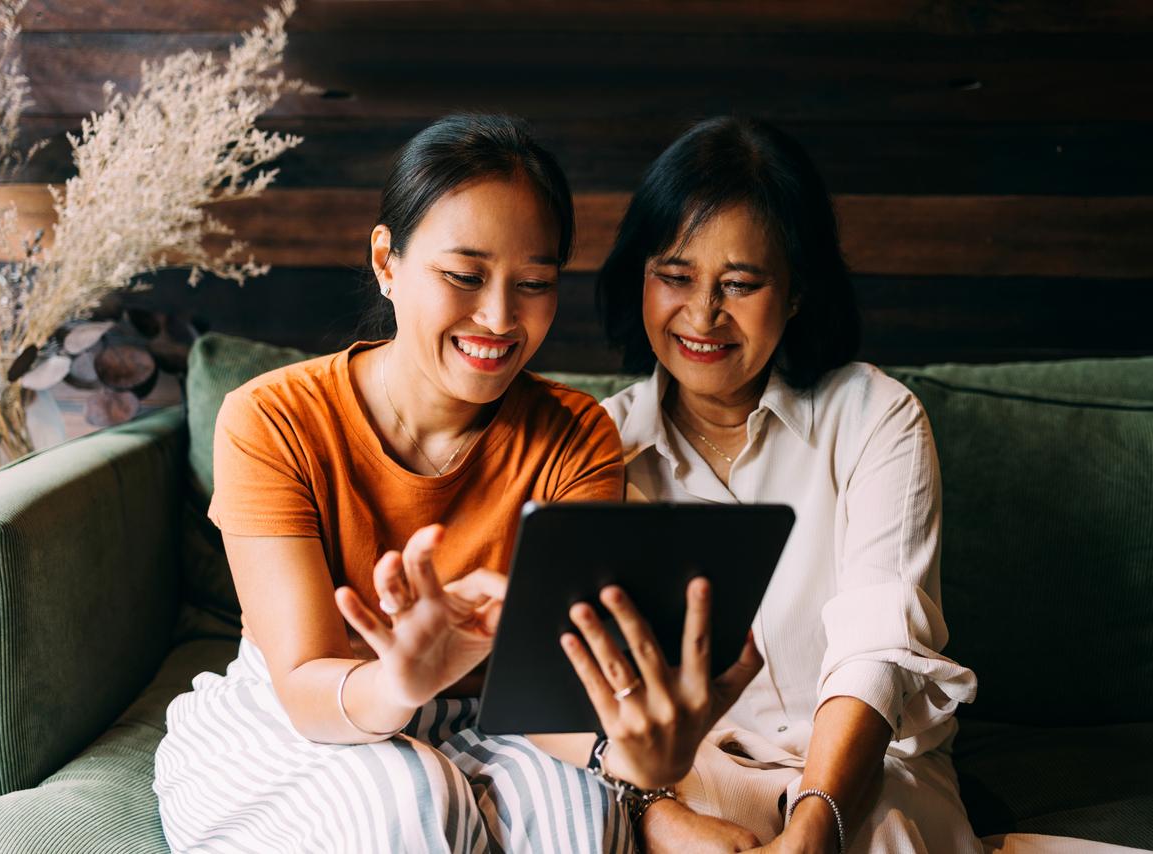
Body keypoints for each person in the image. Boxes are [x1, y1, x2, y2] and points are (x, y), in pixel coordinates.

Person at [154, 114, 671, 854]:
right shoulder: (271, 418)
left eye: (533, 284)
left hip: (493, 723)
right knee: (408, 805)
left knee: (582, 823)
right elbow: (304, 682)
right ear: (387, 262)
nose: (499, 317)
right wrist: (402, 678)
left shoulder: (576, 435)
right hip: (311, 708)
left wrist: (644, 769)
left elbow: (553, 686)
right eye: (463, 276)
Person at [568, 116, 981, 853]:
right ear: (640, 277)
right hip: (688, 782)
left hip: (868, 772)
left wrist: (818, 820)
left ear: (795, 293)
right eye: (675, 276)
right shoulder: (600, 446)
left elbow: (876, 651)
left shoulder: (875, 417)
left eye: (740, 284)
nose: (702, 315)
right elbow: (586, 696)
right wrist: (661, 813)